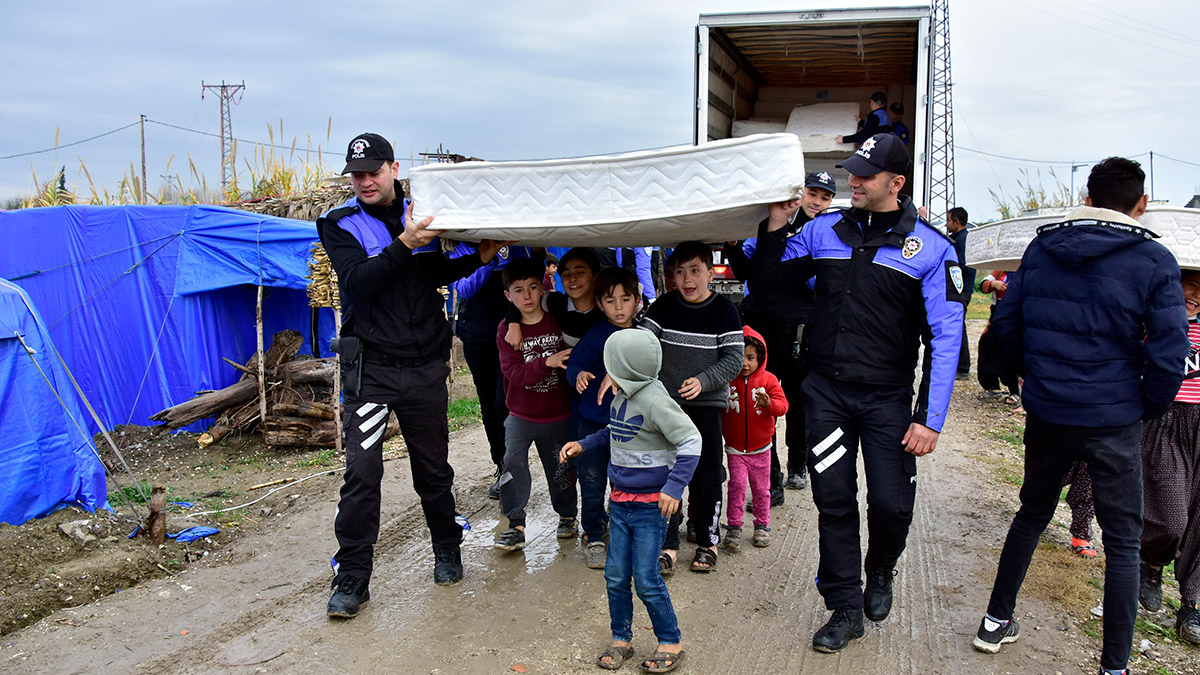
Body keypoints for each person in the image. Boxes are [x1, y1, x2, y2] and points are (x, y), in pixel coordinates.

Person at [750, 133, 966, 653]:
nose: (854, 182)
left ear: (897, 183)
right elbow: (770, 281)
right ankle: (845, 607)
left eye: (866, 175)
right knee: (834, 501)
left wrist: (929, 418)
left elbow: (946, 337)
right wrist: (777, 224)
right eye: (853, 172)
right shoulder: (823, 230)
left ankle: (882, 567)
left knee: (890, 505)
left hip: (888, 400)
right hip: (827, 395)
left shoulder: (932, 248)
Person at [973, 157, 1189, 675]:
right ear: (1141, 205)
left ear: (1088, 199)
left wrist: (1033, 380)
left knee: (1032, 513)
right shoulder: (1154, 259)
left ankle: (995, 621)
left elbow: (1006, 327)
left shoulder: (1043, 248)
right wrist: (1146, 407)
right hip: (1113, 417)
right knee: (1123, 541)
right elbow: (1169, 354)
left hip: (1049, 411)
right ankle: (1114, 666)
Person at [318, 132, 507, 616]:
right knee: (362, 475)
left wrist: (479, 258)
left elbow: (429, 274)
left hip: (424, 368)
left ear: (394, 169)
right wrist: (405, 242)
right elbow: (358, 282)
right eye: (357, 175)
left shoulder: (424, 211)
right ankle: (353, 577)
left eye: (374, 172)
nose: (365, 181)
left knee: (433, 468)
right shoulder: (339, 223)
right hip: (372, 373)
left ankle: (446, 546)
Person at [561, 328, 701, 673]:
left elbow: (691, 441)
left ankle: (670, 640)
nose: (608, 371)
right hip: (621, 502)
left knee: (647, 578)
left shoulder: (656, 401)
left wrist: (674, 487)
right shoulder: (621, 396)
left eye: (613, 363)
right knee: (615, 575)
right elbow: (616, 431)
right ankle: (621, 638)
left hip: (651, 506)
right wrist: (584, 445)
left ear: (629, 367)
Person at [727, 170, 837, 498]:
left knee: (798, 402)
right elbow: (746, 271)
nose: (817, 202)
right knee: (760, 402)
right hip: (761, 330)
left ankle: (798, 464)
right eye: (812, 194)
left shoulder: (827, 234)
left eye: (826, 197)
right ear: (799, 194)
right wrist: (733, 245)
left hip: (800, 334)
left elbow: (822, 283)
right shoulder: (770, 223)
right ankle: (770, 479)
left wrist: (785, 262)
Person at [639, 241, 744, 575]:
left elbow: (735, 359)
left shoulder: (724, 310)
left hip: (706, 406)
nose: (686, 279)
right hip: (667, 408)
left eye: (695, 271)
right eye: (679, 272)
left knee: (707, 475)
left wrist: (703, 380)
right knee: (666, 474)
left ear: (711, 273)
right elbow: (640, 343)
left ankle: (708, 543)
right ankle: (668, 545)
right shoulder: (663, 306)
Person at [494, 258, 577, 551]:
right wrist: (547, 362)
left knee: (561, 469)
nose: (527, 296)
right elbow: (515, 374)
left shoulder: (558, 319)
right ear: (508, 296)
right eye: (518, 290)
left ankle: (568, 515)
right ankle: (515, 524)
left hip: (558, 414)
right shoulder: (507, 330)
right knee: (512, 464)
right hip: (521, 414)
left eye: (532, 287)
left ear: (543, 288)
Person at [1138, 268, 1200, 645]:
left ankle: (1192, 605)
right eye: (1191, 285)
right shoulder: (1155, 320)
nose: (1195, 295)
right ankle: (1151, 560)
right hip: (1167, 421)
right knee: (1172, 517)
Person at [565, 267, 641, 568]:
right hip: (592, 422)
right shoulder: (596, 335)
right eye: (610, 301)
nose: (619, 307)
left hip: (631, 427)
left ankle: (627, 530)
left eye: (626, 299)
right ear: (599, 304)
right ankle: (594, 535)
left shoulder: (644, 336)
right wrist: (578, 375)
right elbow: (575, 363)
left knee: (627, 482)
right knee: (592, 482)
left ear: (637, 300)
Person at [450, 244, 535, 500]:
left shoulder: (511, 241)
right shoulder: (458, 245)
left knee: (505, 403)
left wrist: (514, 320)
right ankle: (502, 465)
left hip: (511, 332)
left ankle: (515, 466)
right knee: (488, 404)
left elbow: (524, 279)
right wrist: (489, 258)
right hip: (476, 335)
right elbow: (466, 288)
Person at [721, 326, 788, 551]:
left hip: (762, 448)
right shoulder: (728, 380)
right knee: (737, 486)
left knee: (761, 489)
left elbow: (783, 406)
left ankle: (762, 525)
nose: (745, 363)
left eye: (750, 357)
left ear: (761, 357)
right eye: (740, 357)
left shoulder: (769, 380)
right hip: (735, 448)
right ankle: (734, 526)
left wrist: (769, 404)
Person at [976, 270, 1021, 403]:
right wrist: (993, 284)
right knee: (987, 345)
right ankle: (992, 386)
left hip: (1018, 312)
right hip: (998, 311)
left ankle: (1015, 391)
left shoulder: (1025, 269)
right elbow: (983, 284)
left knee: (1012, 351)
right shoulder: (1001, 269)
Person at [946, 207, 976, 379]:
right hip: (955, 289)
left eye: (949, 220)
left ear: (957, 222)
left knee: (958, 326)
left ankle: (963, 368)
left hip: (961, 289)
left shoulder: (964, 240)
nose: (946, 224)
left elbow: (961, 266)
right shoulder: (955, 239)